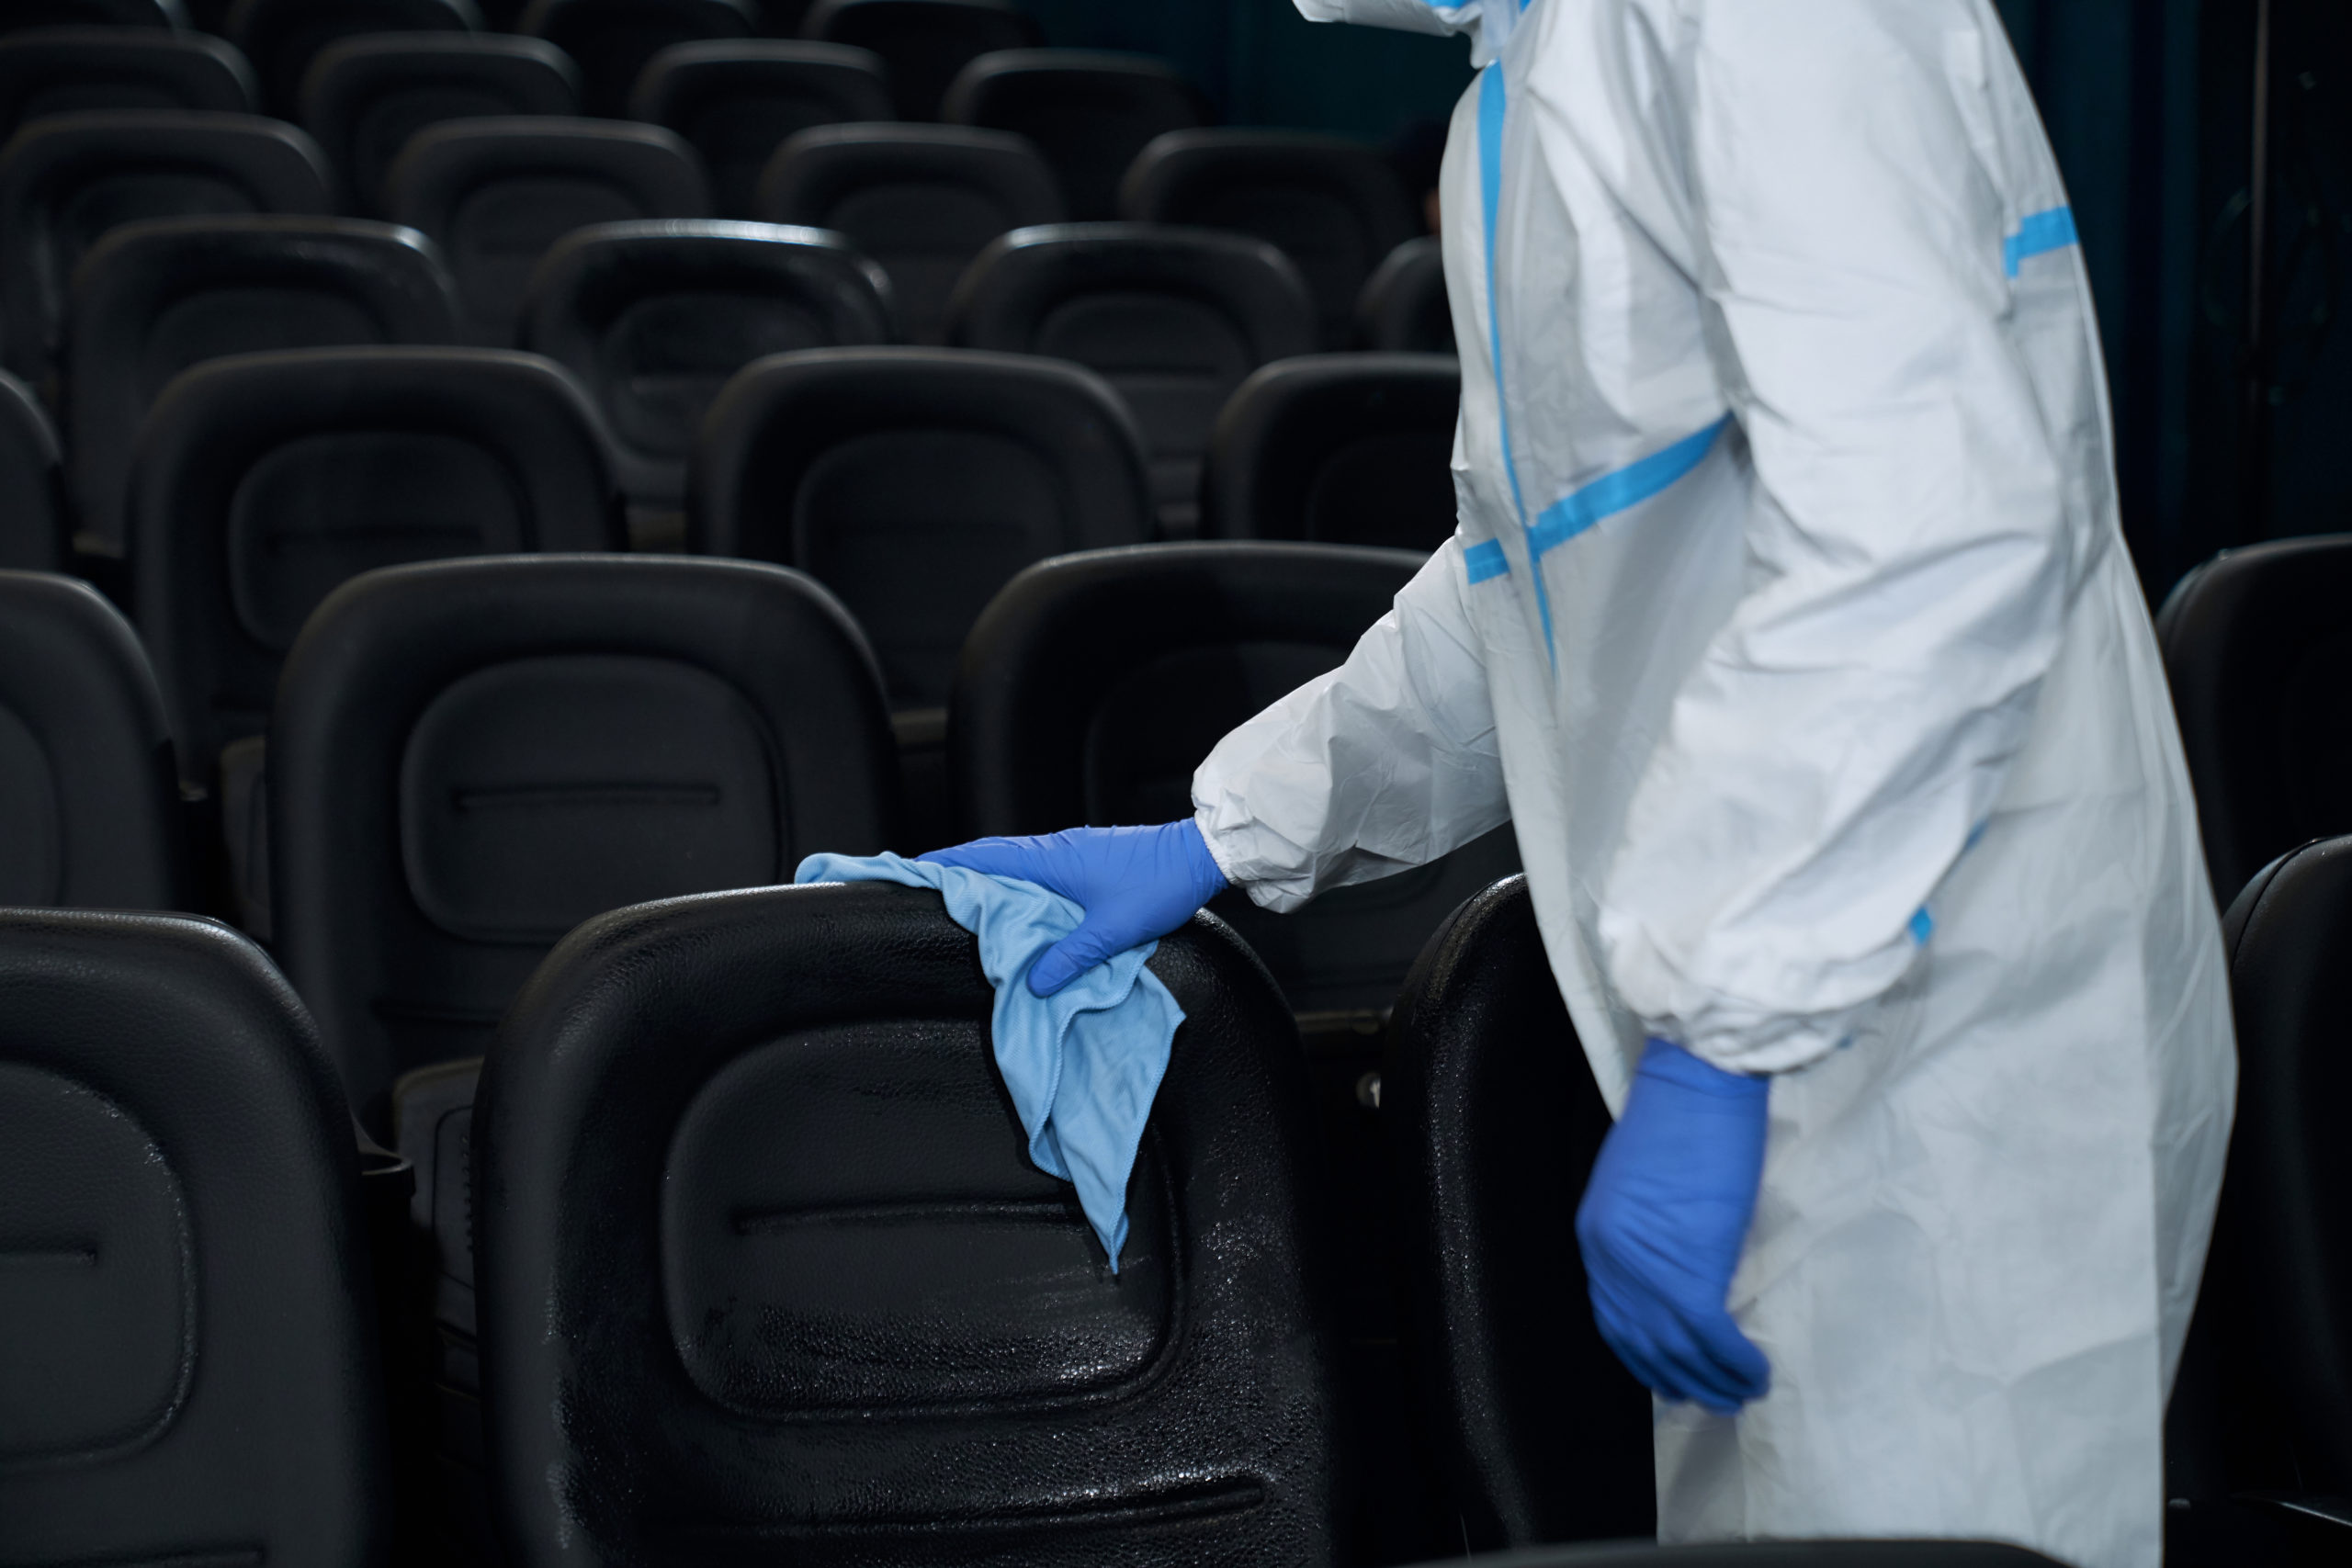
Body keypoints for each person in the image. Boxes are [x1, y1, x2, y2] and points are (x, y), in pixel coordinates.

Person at [922, 2, 2236, 1563]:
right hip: (1776, 1018)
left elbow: (1929, 539)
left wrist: (1722, 1040)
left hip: (1951, 1045)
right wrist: (1226, 830)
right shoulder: (1536, 84)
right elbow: (1534, 589)